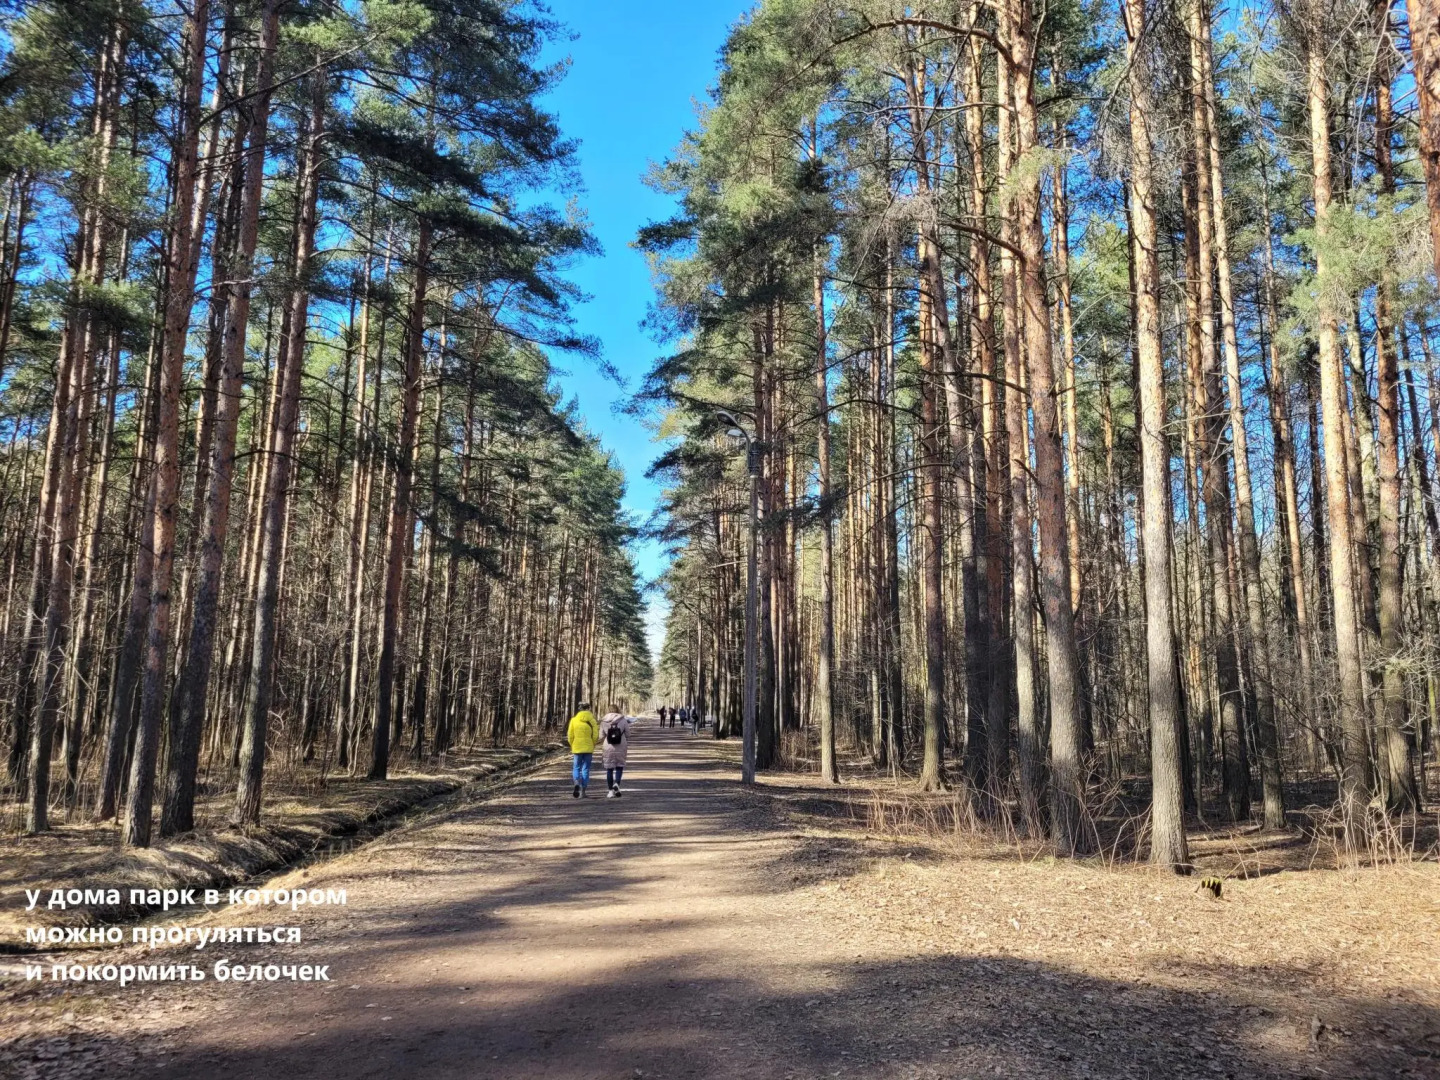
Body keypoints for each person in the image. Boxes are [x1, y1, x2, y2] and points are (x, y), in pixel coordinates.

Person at [567, 701, 598, 798]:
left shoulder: (573, 720)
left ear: (579, 709)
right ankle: (583, 792)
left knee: (576, 768)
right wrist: (592, 744)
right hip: (588, 748)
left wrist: (572, 744)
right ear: (588, 709)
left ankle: (576, 782)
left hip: (577, 748)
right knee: (586, 769)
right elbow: (596, 735)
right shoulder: (592, 720)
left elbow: (570, 735)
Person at [599, 712, 633, 797]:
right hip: (621, 746)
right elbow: (628, 734)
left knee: (609, 769)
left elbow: (601, 736)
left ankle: (610, 791)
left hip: (608, 747)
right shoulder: (623, 720)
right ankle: (617, 784)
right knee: (619, 767)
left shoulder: (604, 721)